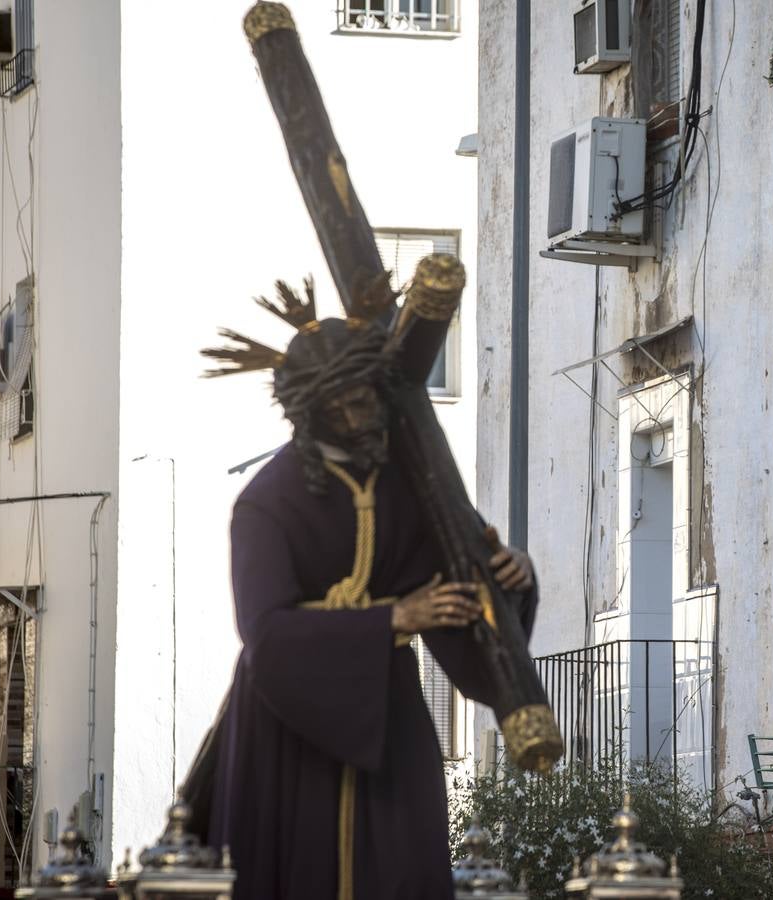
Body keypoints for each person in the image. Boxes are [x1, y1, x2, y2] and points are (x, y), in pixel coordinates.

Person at [191, 308, 534, 899]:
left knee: (401, 865)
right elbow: (265, 635)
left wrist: (512, 577)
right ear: (309, 412)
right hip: (287, 725)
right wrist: (393, 619)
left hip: (390, 712)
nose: (360, 417)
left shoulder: (414, 481)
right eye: (341, 406)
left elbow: (468, 578)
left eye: (366, 399)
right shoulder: (266, 503)